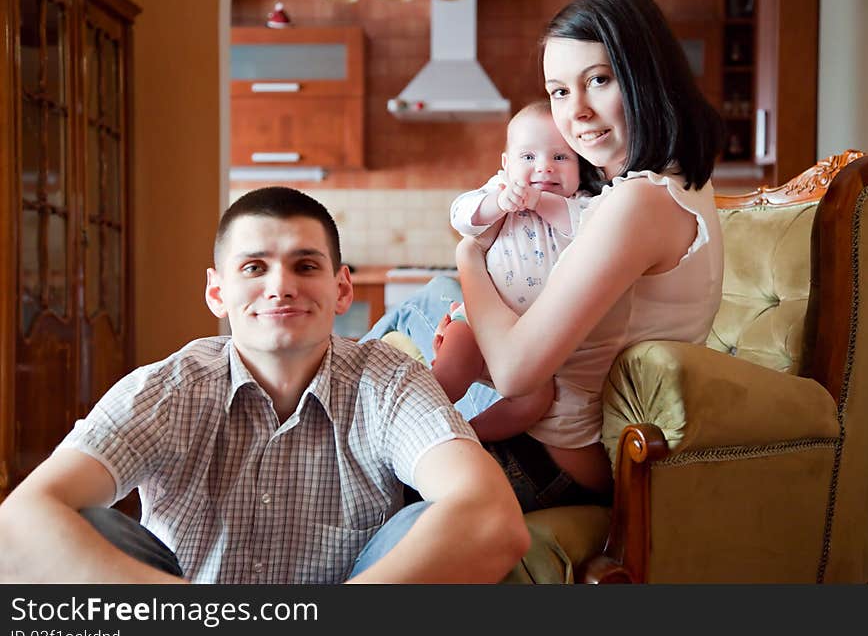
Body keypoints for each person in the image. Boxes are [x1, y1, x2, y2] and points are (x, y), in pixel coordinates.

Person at [0, 187, 530, 584]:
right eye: (254, 267)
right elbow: (19, 521)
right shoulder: (168, 388)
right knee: (86, 523)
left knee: (429, 519)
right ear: (217, 292)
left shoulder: (388, 382)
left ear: (341, 288)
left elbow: (493, 518)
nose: (280, 287)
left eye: (305, 265)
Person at [366, 0, 724, 514]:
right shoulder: (673, 181)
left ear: (646, 75)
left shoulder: (638, 203)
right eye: (559, 90)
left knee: (428, 313)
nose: (575, 112)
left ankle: (346, 421)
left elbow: (514, 374)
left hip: (551, 461)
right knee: (423, 305)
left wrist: (469, 259)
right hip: (552, 429)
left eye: (599, 80)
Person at [433, 100, 591, 446]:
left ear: (581, 165)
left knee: (535, 400)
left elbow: (584, 228)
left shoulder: (581, 205)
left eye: (560, 157)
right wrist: (497, 204)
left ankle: (466, 438)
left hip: (532, 346)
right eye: (529, 158)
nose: (545, 168)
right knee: (449, 373)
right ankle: (415, 424)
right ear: (506, 165)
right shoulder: (499, 192)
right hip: (476, 325)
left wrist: (539, 202)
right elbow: (460, 214)